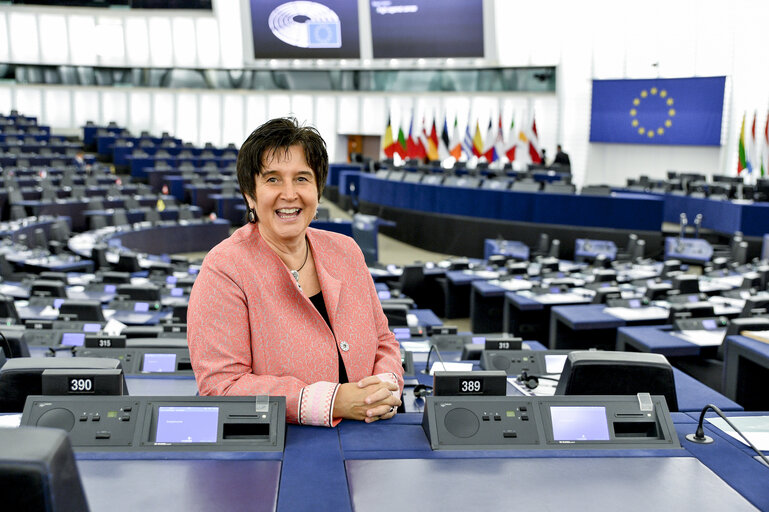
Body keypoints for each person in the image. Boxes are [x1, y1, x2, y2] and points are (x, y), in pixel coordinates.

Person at [187, 117, 403, 427]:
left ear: (318, 191)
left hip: (369, 442)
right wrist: (335, 401)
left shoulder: (347, 252)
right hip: (281, 452)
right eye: (273, 179)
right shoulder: (224, 269)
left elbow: (384, 341)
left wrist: (384, 387)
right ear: (250, 194)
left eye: (302, 178)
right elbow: (222, 386)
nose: (289, 194)